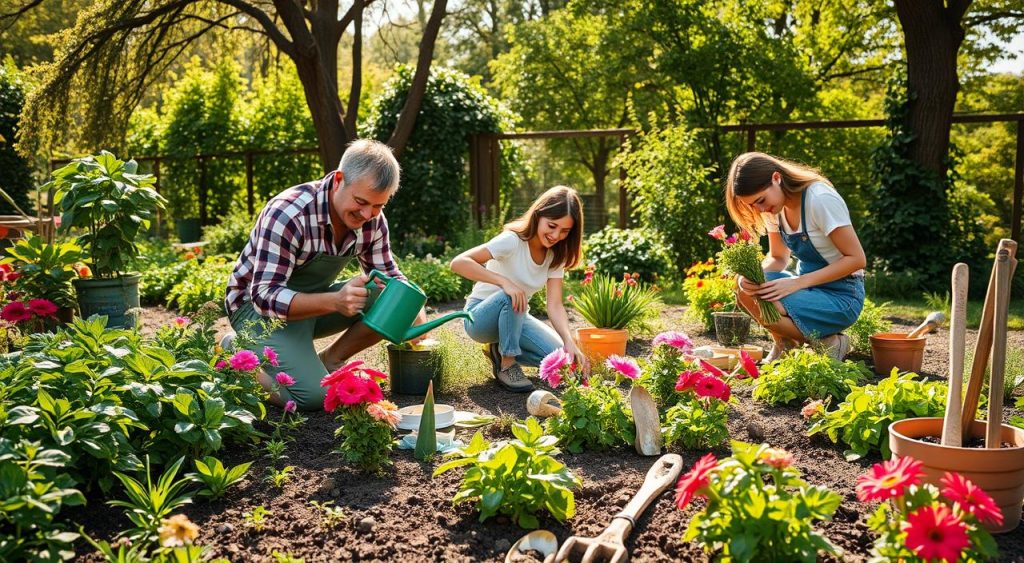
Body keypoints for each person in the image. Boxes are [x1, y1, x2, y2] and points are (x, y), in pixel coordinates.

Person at [224, 139, 427, 411]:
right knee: (312, 398)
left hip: (306, 309)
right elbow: (264, 297)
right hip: (256, 314)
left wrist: (412, 310)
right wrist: (335, 302)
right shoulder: (289, 213)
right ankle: (233, 353)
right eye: (360, 202)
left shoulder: (372, 220)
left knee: (387, 296)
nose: (368, 214)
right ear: (339, 180)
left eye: (378, 206)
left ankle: (331, 360)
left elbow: (389, 276)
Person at [724, 152, 866, 362]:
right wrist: (753, 278)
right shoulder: (774, 208)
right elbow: (778, 257)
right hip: (807, 288)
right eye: (753, 205)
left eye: (761, 200)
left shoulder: (819, 199)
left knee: (774, 300)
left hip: (843, 295)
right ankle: (787, 342)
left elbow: (857, 259)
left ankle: (830, 343)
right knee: (743, 287)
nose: (761, 209)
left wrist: (796, 283)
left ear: (776, 178)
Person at [450, 186, 586, 392]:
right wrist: (503, 282)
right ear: (538, 215)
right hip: (479, 318)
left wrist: (569, 341)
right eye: (552, 225)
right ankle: (507, 364)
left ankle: (499, 349)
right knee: (510, 295)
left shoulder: (555, 255)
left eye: (564, 231)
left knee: (561, 359)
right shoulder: (512, 241)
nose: (556, 235)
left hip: (515, 318)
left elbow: (555, 305)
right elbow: (458, 263)